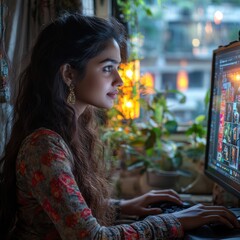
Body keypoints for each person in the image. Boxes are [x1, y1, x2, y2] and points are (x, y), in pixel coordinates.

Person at [0, 12, 239, 240]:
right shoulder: (44, 147)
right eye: (107, 68)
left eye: (118, 68)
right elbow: (91, 236)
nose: (120, 80)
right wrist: (175, 221)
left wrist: (123, 206)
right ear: (69, 74)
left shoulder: (70, 128)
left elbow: (64, 209)